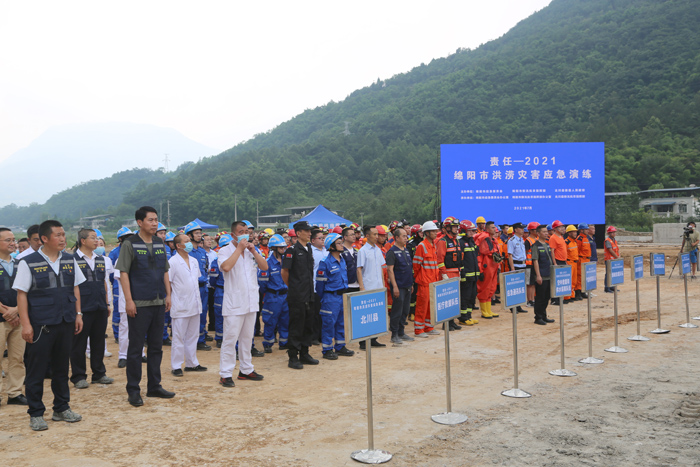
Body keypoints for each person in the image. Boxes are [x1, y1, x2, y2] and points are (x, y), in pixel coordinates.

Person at [14, 220, 86, 431]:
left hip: (65, 322)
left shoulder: (70, 259)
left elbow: (75, 288)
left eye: (63, 234)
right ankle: (36, 413)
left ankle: (61, 408)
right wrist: (26, 325)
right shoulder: (28, 262)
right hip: (41, 325)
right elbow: (22, 295)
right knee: (36, 371)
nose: (63, 238)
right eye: (58, 235)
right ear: (44, 238)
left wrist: (78, 314)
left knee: (61, 368)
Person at [116, 206, 175, 407]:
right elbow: (123, 273)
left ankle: (154, 386)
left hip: (158, 303)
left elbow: (165, 270)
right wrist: (129, 300)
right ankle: (133, 390)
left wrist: (168, 295)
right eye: (150, 220)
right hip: (139, 304)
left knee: (156, 347)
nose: (154, 223)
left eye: (156, 219)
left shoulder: (159, 243)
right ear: (140, 222)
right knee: (136, 348)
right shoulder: (130, 244)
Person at [217, 221, 268, 387]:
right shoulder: (225, 250)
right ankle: (225, 373)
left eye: (247, 231)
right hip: (234, 303)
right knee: (230, 339)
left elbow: (264, 267)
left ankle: (246, 369)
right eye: (241, 232)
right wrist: (239, 249)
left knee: (247, 338)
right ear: (233, 235)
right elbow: (226, 267)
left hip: (251, 301)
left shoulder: (252, 250)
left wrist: (253, 251)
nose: (245, 234)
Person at [70, 229, 114, 389]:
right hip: (82, 308)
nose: (97, 241)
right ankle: (78, 376)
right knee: (78, 344)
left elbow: (104, 282)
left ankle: (99, 374)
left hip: (99, 306)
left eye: (97, 238)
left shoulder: (100, 259)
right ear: (83, 240)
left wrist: (106, 304)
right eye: (93, 238)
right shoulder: (72, 260)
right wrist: (77, 311)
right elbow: (71, 286)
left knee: (98, 341)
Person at [282, 221, 320, 369]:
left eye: (310, 231)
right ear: (298, 233)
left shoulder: (308, 248)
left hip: (309, 293)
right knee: (296, 326)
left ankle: (304, 353)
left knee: (308, 325)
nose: (310, 233)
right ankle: (293, 356)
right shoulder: (291, 250)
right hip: (297, 295)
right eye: (306, 231)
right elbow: (284, 272)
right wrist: (294, 287)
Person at [169, 234, 207, 377]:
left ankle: (192, 363)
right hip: (180, 304)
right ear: (178, 246)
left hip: (194, 303)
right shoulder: (172, 262)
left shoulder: (194, 261)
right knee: (178, 337)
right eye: (186, 241)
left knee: (193, 335)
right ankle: (176, 365)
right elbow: (168, 282)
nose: (190, 243)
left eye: (189, 240)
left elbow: (195, 280)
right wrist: (168, 298)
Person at [0, 227, 27, 407]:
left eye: (13, 240)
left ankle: (15, 393)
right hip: (2, 319)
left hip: (19, 319)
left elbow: (27, 290)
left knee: (17, 358)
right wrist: (6, 312)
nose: (13, 243)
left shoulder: (20, 264)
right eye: (8, 240)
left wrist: (17, 310)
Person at [316, 233, 354, 359]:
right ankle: (327, 349)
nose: (342, 245)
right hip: (330, 297)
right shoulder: (325, 263)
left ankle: (340, 346)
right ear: (331, 246)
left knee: (341, 323)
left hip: (342, 296)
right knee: (328, 324)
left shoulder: (342, 260)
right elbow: (320, 284)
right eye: (339, 243)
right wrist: (324, 298)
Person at [356, 225, 388, 347]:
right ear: (367, 236)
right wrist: (362, 287)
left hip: (378, 286)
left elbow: (380, 268)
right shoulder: (363, 251)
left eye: (377, 234)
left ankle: (373, 339)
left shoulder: (378, 250)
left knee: (376, 314)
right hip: (368, 286)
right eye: (374, 234)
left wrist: (383, 285)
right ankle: (363, 341)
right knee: (366, 315)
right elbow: (359, 270)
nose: (377, 237)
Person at [258, 234, 290, 353]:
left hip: (285, 295)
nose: (283, 249)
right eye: (281, 247)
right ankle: (268, 343)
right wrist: (269, 293)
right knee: (270, 321)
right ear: (274, 248)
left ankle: (284, 342)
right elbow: (262, 283)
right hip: (273, 296)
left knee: (285, 320)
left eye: (284, 247)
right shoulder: (267, 263)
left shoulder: (286, 261)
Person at [184, 221, 212, 350]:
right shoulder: (186, 252)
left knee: (202, 314)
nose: (199, 235)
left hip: (203, 287)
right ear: (189, 235)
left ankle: (200, 339)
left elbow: (205, 268)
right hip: (191, 288)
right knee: (190, 315)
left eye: (200, 233)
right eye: (196, 233)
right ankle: (190, 340)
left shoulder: (202, 252)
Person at [412, 221, 442, 337]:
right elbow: (416, 265)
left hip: (433, 281)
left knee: (431, 305)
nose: (435, 233)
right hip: (424, 282)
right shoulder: (422, 246)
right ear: (427, 233)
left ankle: (429, 327)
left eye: (436, 231)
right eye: (433, 231)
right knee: (422, 306)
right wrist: (420, 277)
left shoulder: (434, 245)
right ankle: (419, 330)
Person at [386, 227, 415, 344]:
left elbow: (409, 268)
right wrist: (395, 286)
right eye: (403, 236)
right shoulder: (392, 252)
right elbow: (390, 270)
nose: (406, 238)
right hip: (398, 286)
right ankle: (394, 334)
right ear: (396, 238)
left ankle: (401, 332)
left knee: (405, 310)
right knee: (397, 310)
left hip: (407, 284)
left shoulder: (406, 250)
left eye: (406, 236)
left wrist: (411, 283)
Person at [436, 216, 463, 330]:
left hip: (456, 273)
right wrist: (444, 274)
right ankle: (446, 324)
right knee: (447, 299)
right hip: (448, 273)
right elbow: (440, 260)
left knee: (454, 299)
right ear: (447, 228)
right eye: (454, 227)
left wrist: (460, 272)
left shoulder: (456, 240)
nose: (456, 228)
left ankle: (452, 322)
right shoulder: (443, 241)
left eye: (457, 226)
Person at [531, 225, 556, 325]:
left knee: (547, 297)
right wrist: (538, 275)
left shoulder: (547, 244)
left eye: (546, 231)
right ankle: (538, 317)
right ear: (538, 233)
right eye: (544, 232)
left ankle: (544, 315)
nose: (546, 233)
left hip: (548, 274)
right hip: (541, 276)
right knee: (540, 297)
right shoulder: (536, 246)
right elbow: (535, 261)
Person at [476, 221, 500, 319]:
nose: (495, 229)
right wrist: (480, 270)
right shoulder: (484, 238)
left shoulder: (492, 239)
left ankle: (488, 310)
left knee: (491, 288)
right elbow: (481, 254)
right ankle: (484, 311)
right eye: (492, 227)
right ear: (487, 229)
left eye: (494, 227)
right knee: (485, 288)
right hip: (486, 267)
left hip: (493, 266)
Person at [458, 220, 479, 325]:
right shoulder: (461, 243)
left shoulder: (471, 241)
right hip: (466, 276)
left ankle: (469, 316)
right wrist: (463, 274)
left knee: (472, 297)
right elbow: (460, 260)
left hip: (474, 275)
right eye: (470, 230)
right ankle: (463, 318)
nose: (472, 232)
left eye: (473, 230)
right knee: (465, 297)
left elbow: (475, 258)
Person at [309, 229, 327, 344]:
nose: (322, 240)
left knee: (324, 313)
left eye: (323, 238)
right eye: (320, 238)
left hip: (326, 287)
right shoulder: (311, 252)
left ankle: (322, 335)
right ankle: (314, 336)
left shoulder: (326, 251)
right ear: (313, 240)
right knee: (315, 314)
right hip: (315, 287)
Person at [507, 222, 527, 313]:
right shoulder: (512, 240)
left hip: (523, 265)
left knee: (520, 287)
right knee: (514, 287)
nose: (523, 230)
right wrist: (512, 268)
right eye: (521, 228)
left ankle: (518, 306)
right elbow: (510, 255)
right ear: (516, 230)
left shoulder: (521, 240)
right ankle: (513, 307)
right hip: (516, 265)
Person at [548, 220, 568, 305]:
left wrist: (565, 261)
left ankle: (560, 298)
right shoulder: (553, 238)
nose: (562, 228)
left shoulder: (561, 237)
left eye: (562, 226)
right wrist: (554, 263)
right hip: (557, 261)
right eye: (560, 227)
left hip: (563, 261)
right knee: (555, 281)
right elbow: (552, 251)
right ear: (555, 228)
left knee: (561, 281)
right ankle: (554, 299)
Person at [524, 222, 540, 307]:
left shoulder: (536, 239)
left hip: (535, 265)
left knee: (533, 283)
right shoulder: (528, 241)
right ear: (530, 230)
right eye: (536, 230)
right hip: (529, 265)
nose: (537, 231)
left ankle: (533, 299)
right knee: (529, 284)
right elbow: (525, 253)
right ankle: (529, 300)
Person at [564, 225, 580, 304]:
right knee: (569, 281)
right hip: (569, 263)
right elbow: (565, 254)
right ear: (569, 233)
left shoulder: (575, 242)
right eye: (573, 232)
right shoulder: (566, 242)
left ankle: (572, 296)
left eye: (576, 232)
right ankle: (566, 297)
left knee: (574, 281)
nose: (575, 233)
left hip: (575, 263)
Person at [575, 223, 591, 299]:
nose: (588, 231)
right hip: (581, 260)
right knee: (579, 277)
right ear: (581, 230)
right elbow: (577, 250)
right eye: (586, 229)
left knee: (584, 276)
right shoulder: (579, 239)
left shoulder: (586, 238)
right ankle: (578, 292)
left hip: (586, 259)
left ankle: (583, 291)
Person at [604, 226, 620, 293]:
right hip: (609, 259)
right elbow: (610, 250)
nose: (614, 233)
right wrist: (617, 257)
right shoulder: (607, 241)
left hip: (614, 260)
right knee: (608, 274)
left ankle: (612, 286)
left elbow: (617, 249)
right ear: (609, 233)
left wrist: (618, 255)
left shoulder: (614, 241)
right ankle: (607, 287)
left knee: (613, 273)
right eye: (612, 232)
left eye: (614, 232)